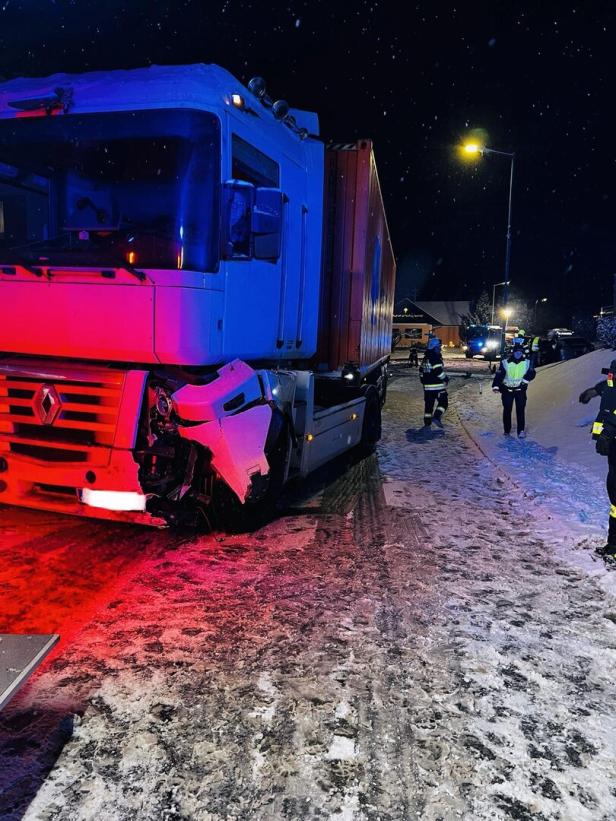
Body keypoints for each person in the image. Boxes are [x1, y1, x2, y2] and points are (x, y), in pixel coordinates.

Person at [579, 359, 616, 559]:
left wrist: (608, 432)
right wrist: (593, 391)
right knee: (615, 498)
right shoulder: (611, 383)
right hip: (612, 447)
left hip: (613, 440)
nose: (610, 378)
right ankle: (613, 546)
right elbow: (607, 388)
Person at [492, 341, 535, 437]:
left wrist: (525, 380)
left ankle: (521, 431)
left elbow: (532, 373)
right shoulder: (505, 362)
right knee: (507, 410)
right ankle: (507, 430)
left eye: (520, 352)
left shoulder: (527, 363)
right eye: (516, 352)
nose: (518, 354)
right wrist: (496, 385)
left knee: (520, 411)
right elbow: (500, 374)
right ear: (513, 352)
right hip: (507, 390)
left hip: (520, 390)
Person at [419, 337, 448, 428]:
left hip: (427, 388)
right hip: (437, 386)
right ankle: (436, 416)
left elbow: (421, 372)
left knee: (429, 405)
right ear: (434, 347)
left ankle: (427, 423)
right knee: (444, 402)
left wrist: (424, 382)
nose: (440, 349)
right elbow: (438, 371)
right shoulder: (435, 357)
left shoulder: (425, 358)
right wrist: (446, 379)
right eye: (438, 347)